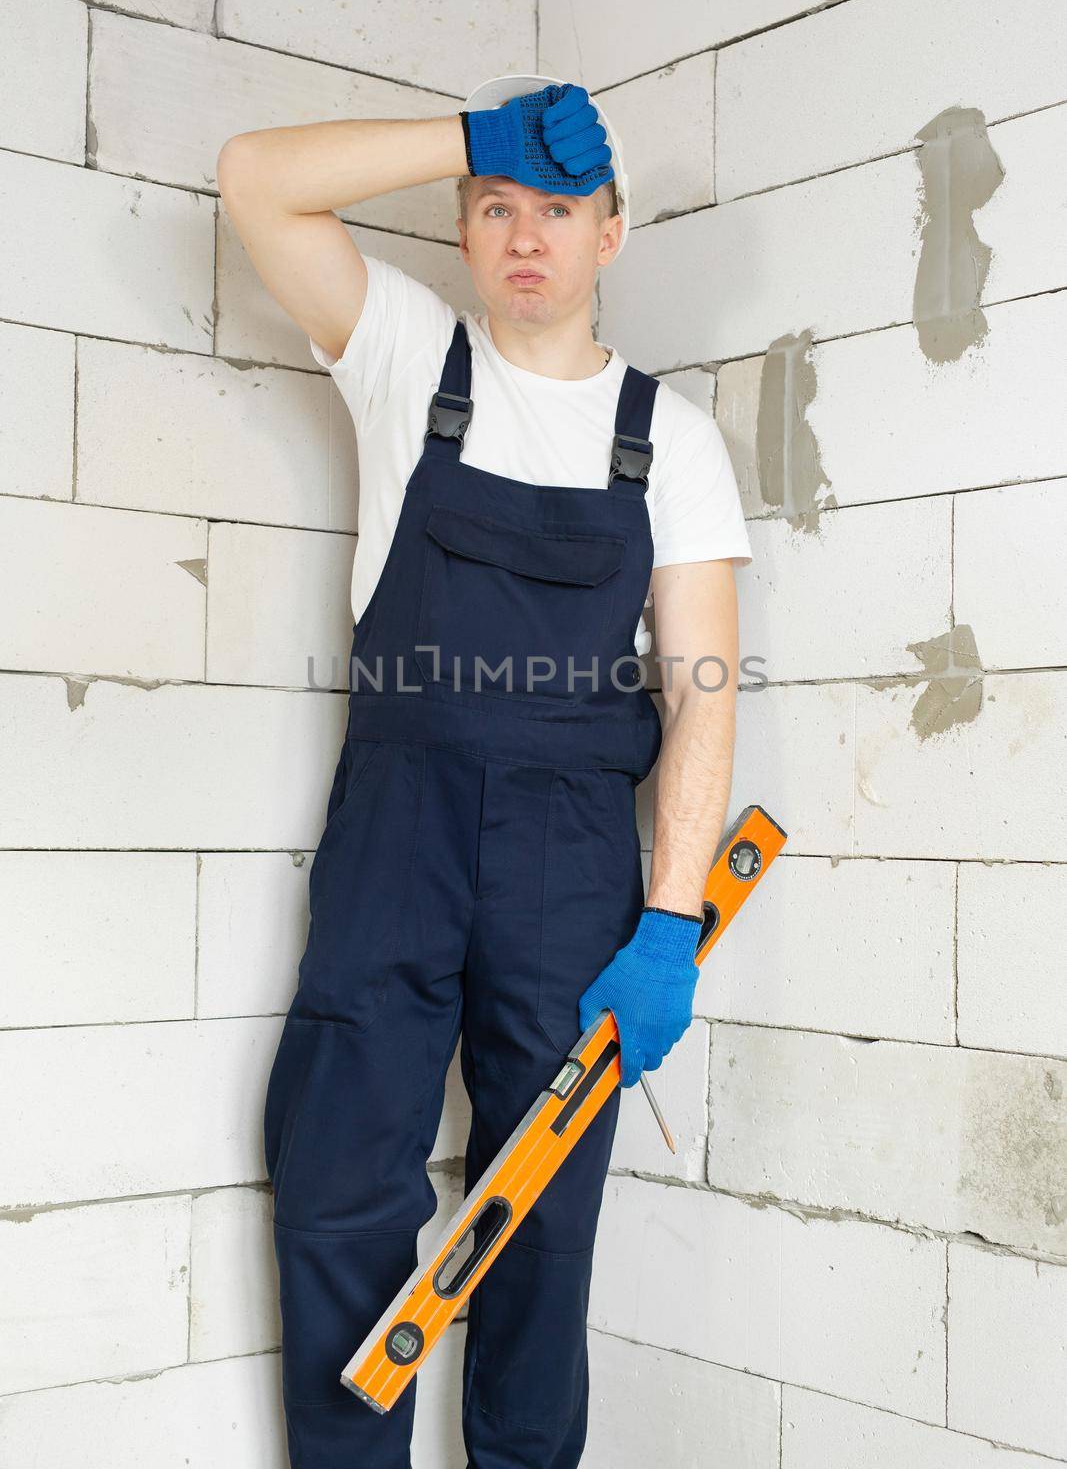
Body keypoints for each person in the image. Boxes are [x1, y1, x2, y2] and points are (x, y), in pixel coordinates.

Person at [217, 75, 752, 1469]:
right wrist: (473, 135)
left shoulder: (672, 442)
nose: (528, 234)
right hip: (396, 830)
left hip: (571, 860)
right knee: (339, 1186)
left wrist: (670, 923)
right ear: (462, 233)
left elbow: (703, 697)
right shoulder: (406, 358)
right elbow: (256, 176)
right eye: (498, 207)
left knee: (540, 1218)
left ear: (612, 235)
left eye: (560, 207)